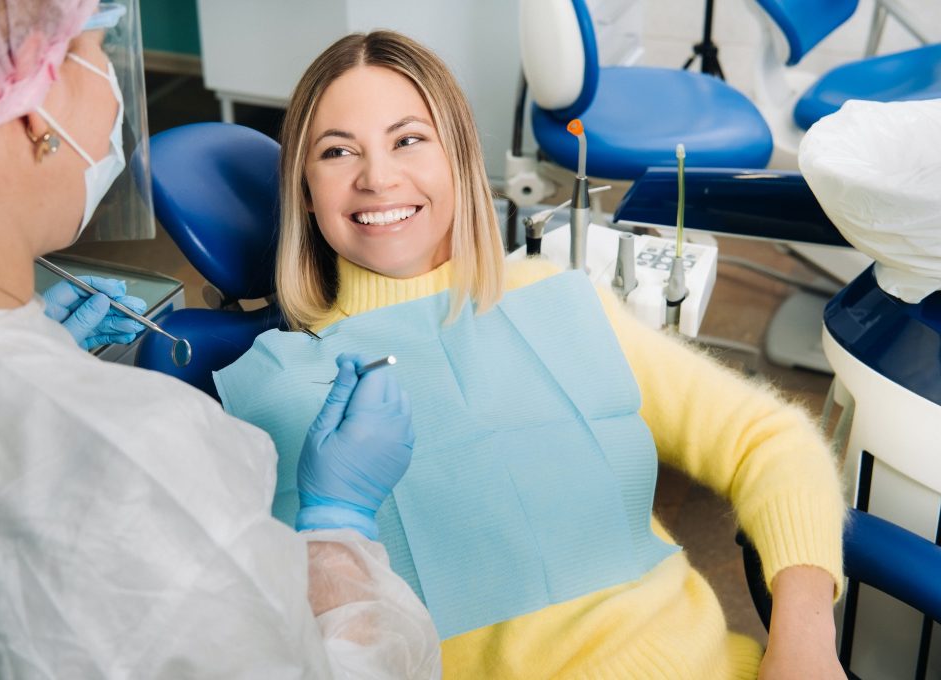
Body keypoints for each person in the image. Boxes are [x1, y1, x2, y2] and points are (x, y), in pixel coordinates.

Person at [215, 31, 848, 680]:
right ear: (305, 189)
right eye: (337, 151)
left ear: (458, 159)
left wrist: (803, 643)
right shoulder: (279, 387)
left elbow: (769, 439)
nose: (377, 177)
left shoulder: (559, 300)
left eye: (408, 139)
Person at [0, 3, 440, 678]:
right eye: (99, 50)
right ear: (31, 113)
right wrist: (339, 527)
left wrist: (43, 353)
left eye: (409, 139)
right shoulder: (140, 456)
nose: (377, 175)